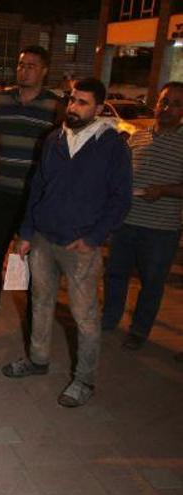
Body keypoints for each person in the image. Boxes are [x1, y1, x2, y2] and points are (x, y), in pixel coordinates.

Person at [2, 78, 132, 407]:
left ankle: (84, 379)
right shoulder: (54, 139)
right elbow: (37, 188)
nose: (73, 107)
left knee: (85, 316)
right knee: (40, 302)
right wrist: (27, 232)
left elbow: (121, 199)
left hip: (80, 246)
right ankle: (37, 359)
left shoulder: (111, 145)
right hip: (43, 239)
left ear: (99, 108)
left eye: (82, 102)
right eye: (72, 100)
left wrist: (94, 237)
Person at [0, 45, 63, 317]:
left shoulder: (54, 106)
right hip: (1, 191)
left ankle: (34, 315)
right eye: (21, 65)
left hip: (34, 198)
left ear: (44, 71)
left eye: (31, 66)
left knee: (34, 258)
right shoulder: (2, 101)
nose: (24, 71)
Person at [102, 81, 183, 350]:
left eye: (176, 104)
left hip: (161, 229)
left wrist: (164, 190)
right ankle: (109, 318)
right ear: (156, 103)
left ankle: (139, 330)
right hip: (126, 222)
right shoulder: (137, 136)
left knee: (152, 282)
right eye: (164, 101)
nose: (167, 108)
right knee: (115, 274)